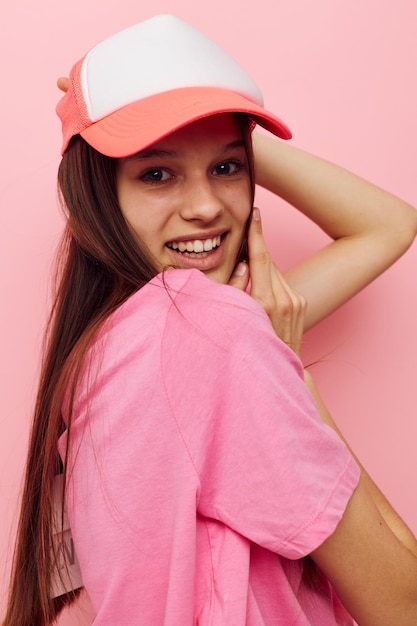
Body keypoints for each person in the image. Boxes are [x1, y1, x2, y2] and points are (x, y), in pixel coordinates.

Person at [3, 13, 417, 626]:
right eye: (157, 173)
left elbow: (390, 225)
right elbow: (402, 603)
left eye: (227, 167)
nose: (206, 208)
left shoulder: (104, 348)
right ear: (96, 192)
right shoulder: (213, 333)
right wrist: (288, 367)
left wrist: (205, 125)